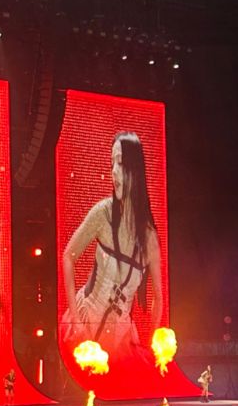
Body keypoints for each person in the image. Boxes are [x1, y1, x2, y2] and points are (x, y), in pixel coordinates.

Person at [60, 132, 162, 378]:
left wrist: (150, 345)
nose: (114, 171)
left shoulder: (148, 237)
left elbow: (159, 297)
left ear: (135, 171)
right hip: (84, 327)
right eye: (112, 163)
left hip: (121, 344)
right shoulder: (103, 213)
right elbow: (68, 257)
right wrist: (75, 319)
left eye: (121, 163)